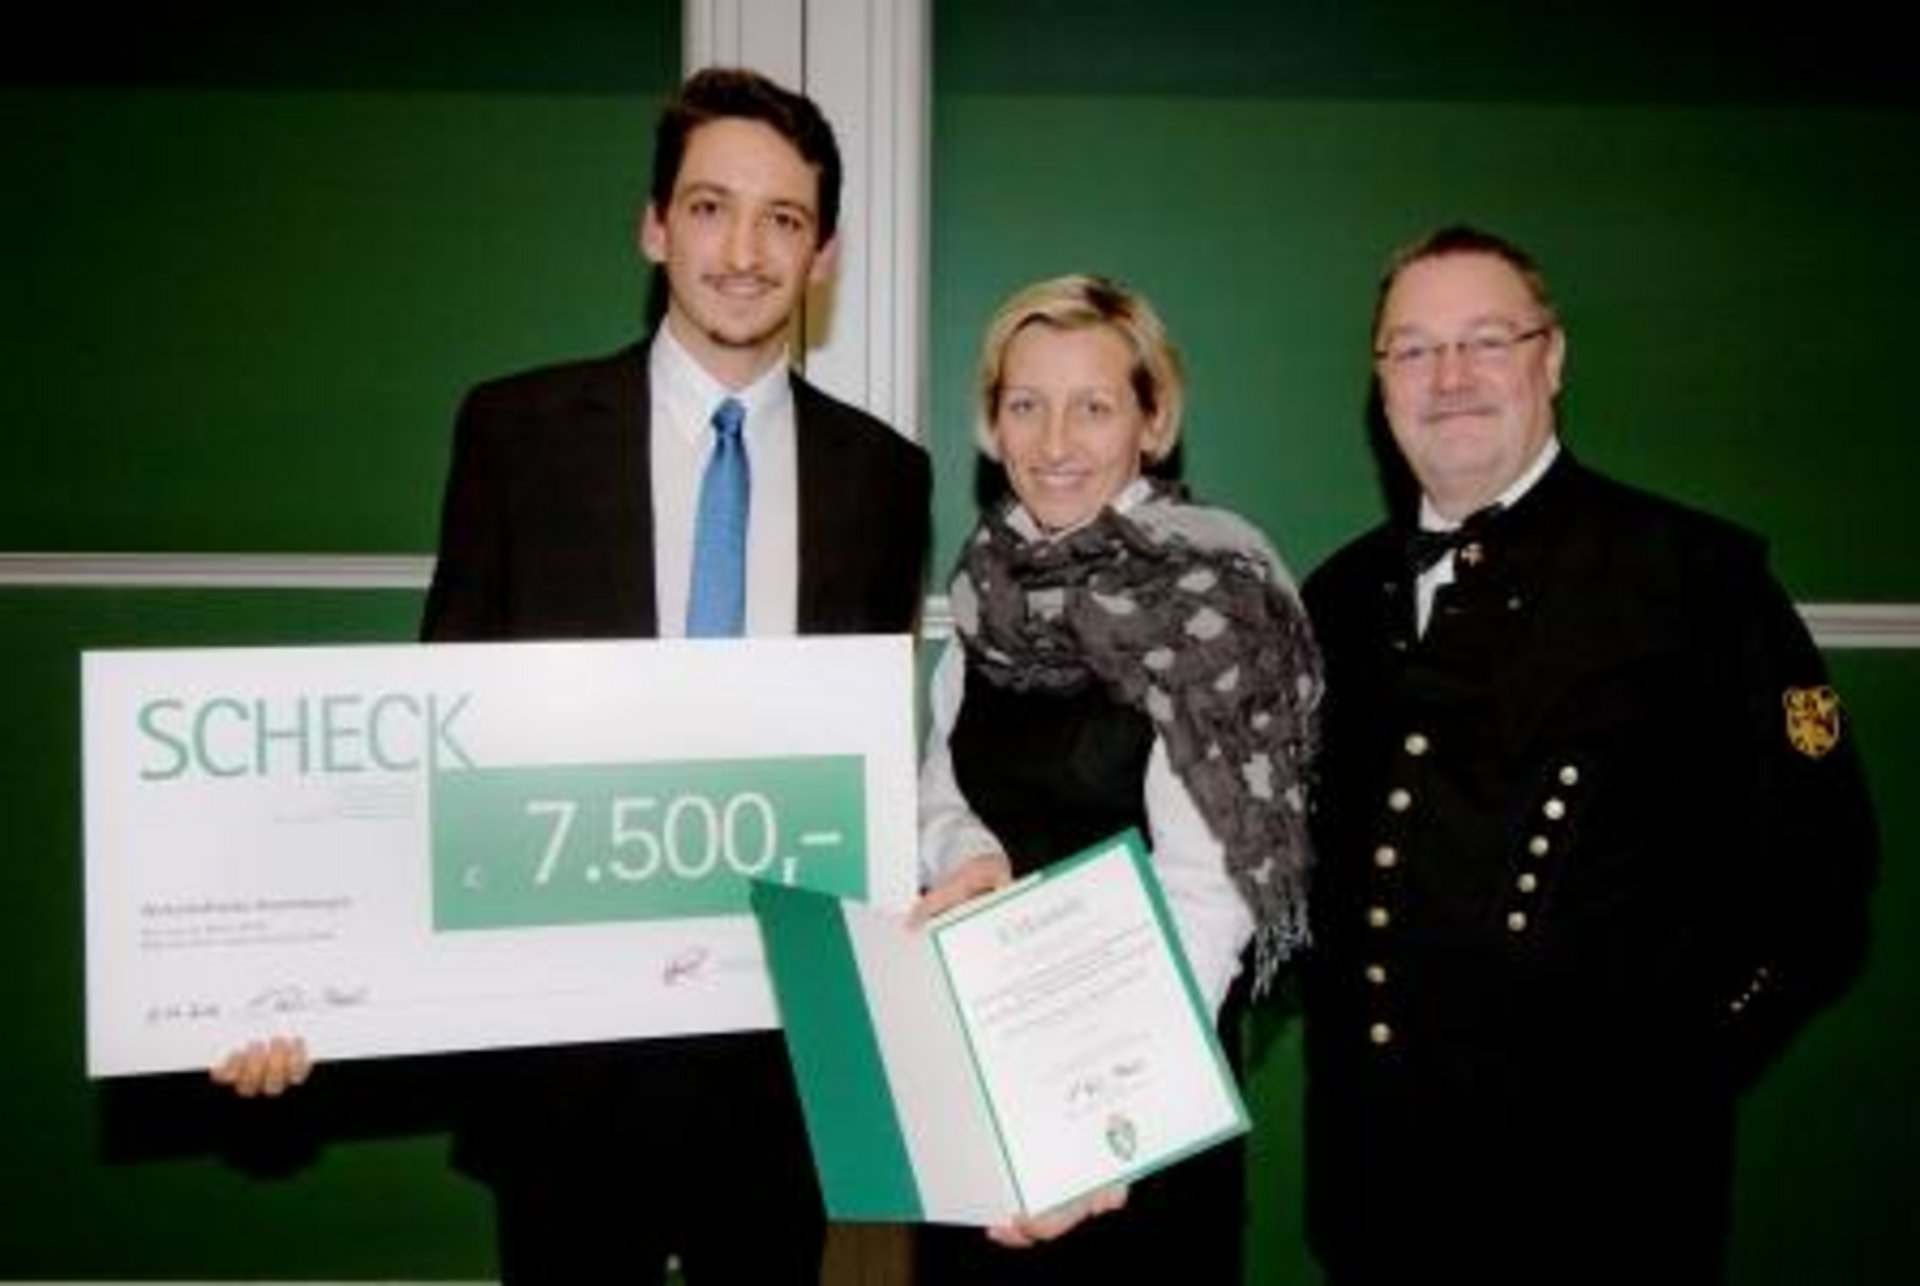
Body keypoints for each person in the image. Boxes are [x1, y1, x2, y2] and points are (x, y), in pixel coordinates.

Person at [212, 65, 932, 1284]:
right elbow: (434, 743)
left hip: (779, 1065)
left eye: (783, 219)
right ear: (654, 227)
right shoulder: (515, 434)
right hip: (561, 1058)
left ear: (823, 255)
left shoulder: (885, 476)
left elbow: (869, 772)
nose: (743, 251)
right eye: (709, 207)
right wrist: (297, 981)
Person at [1299, 223, 1878, 1285]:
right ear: (1380, 381)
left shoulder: (1695, 579)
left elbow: (1823, 884)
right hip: (1381, 1198)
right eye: (1414, 349)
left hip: (1611, 1204)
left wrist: (1678, 1074)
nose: (1450, 378)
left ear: (1552, 358)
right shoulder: (1333, 600)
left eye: (1487, 340)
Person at [913, 273, 1320, 1283]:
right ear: (992, 423)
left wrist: (1091, 1131)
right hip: (985, 1069)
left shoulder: (1214, 598)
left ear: (1152, 420)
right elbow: (944, 786)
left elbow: (1208, 896)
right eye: (1026, 404)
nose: (1055, 441)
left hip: (1142, 1094)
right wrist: (968, 854)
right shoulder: (988, 589)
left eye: (1093, 406)